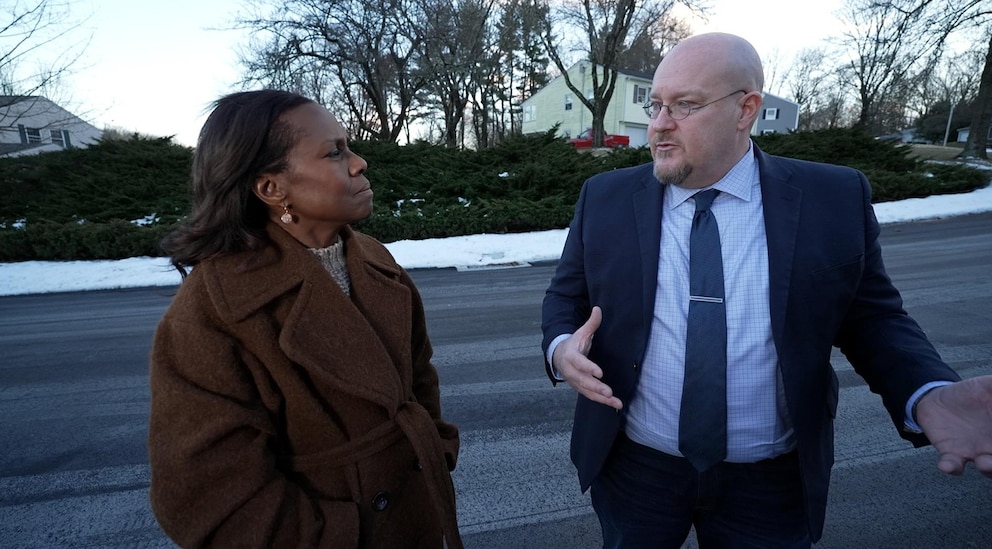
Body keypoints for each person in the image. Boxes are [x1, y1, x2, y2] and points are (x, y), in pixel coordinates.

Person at [541, 32, 992, 548]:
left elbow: (871, 318)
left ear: (746, 109)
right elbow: (565, 297)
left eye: (684, 105)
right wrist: (562, 349)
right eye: (656, 104)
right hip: (636, 470)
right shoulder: (605, 197)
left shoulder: (831, 197)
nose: (659, 124)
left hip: (770, 485)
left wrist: (927, 391)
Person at [148, 89, 463, 549]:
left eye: (349, 147)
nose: (359, 163)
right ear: (271, 188)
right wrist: (340, 535)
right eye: (334, 152)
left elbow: (418, 377)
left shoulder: (377, 261)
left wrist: (435, 447)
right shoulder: (213, 312)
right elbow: (209, 496)